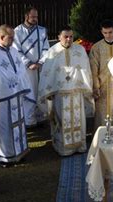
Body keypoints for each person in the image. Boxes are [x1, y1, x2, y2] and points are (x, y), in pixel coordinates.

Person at [0, 24, 32, 164]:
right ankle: (4, 156)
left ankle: (19, 151)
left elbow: (20, 68)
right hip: (1, 100)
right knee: (4, 128)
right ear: (1, 37)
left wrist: (20, 85)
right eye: (10, 38)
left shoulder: (13, 51)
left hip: (16, 96)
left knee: (18, 124)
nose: (13, 40)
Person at [38, 26, 93, 156]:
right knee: (62, 120)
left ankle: (79, 146)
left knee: (79, 119)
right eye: (65, 37)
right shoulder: (52, 52)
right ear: (59, 37)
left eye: (71, 37)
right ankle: (64, 148)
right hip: (60, 93)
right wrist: (48, 90)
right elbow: (47, 73)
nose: (69, 39)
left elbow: (86, 70)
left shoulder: (79, 50)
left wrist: (87, 87)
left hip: (76, 92)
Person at [13, 6, 50, 127]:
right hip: (25, 69)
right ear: (26, 16)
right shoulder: (17, 31)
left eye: (36, 17)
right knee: (28, 92)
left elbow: (46, 48)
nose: (35, 19)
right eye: (33, 17)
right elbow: (16, 50)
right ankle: (29, 121)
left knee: (40, 91)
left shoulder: (42, 30)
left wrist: (40, 62)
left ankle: (41, 118)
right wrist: (28, 63)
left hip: (40, 68)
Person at [89, 19, 113, 129]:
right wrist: (96, 87)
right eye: (105, 33)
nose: (108, 35)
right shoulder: (96, 47)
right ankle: (101, 136)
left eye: (110, 32)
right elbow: (93, 69)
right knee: (102, 114)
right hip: (102, 86)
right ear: (101, 32)